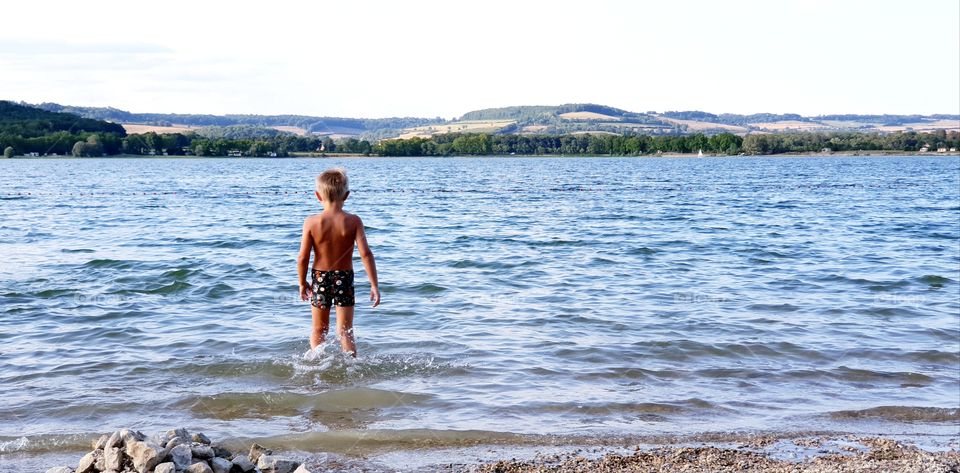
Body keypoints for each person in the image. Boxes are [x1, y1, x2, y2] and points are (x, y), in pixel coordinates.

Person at [297, 168, 380, 356]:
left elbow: (303, 257)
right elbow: (366, 254)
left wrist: (302, 283)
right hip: (344, 278)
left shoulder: (311, 222)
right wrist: (374, 285)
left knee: (319, 329)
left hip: (320, 278)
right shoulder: (353, 221)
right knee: (345, 331)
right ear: (347, 196)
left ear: (318, 196)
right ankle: (351, 366)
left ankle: (317, 361)